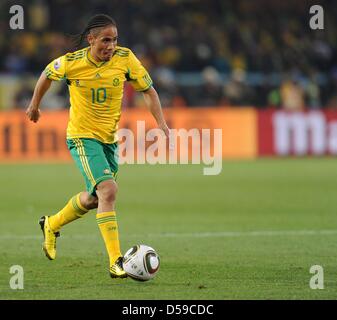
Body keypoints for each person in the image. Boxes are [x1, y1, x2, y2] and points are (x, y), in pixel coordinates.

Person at [25, 14, 170, 279]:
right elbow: (46, 75)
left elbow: (148, 90)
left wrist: (160, 122)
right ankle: (116, 262)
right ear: (91, 40)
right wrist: (35, 104)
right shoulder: (72, 62)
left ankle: (52, 223)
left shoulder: (125, 59)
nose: (111, 46)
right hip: (82, 137)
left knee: (95, 199)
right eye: (105, 40)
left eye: (114, 40)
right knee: (108, 190)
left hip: (109, 141)